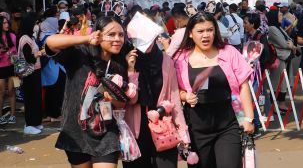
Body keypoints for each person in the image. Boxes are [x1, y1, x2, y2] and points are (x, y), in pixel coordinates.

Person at [46, 16, 138, 168]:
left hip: (106, 132)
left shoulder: (120, 64)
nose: (117, 39)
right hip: (76, 131)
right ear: (98, 34)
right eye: (111, 34)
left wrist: (112, 99)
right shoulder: (80, 54)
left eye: (121, 35)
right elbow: (51, 42)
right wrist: (86, 39)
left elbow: (122, 104)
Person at [173, 12, 254, 168]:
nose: (206, 35)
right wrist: (185, 96)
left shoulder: (229, 52)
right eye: (200, 31)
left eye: (210, 30)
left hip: (228, 124)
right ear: (190, 33)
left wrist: (249, 118)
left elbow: (243, 85)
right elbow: (174, 90)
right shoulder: (180, 59)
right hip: (196, 128)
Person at [123, 31, 190, 167]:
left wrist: (182, 130)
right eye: (138, 39)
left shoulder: (166, 61)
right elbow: (131, 99)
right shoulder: (128, 60)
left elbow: (174, 98)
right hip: (136, 131)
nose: (144, 42)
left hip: (164, 127)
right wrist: (131, 70)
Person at [266, 9, 297, 113]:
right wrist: (291, 46)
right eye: (279, 15)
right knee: (277, 82)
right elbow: (284, 44)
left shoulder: (278, 27)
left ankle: (281, 104)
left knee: (283, 81)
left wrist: (291, 45)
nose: (282, 17)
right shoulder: (272, 28)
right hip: (278, 58)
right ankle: (274, 106)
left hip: (284, 57)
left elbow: (290, 40)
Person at [18, 13, 44, 134]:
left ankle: (36, 122)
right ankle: (29, 124)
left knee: (36, 98)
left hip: (35, 71)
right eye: (34, 24)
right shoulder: (25, 39)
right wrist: (39, 54)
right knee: (31, 98)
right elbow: (29, 58)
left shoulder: (31, 38)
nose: (36, 26)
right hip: (29, 73)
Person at [0, 16, 17, 125]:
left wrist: (11, 53)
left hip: (13, 67)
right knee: (1, 93)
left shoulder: (13, 36)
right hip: (1, 67)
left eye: (7, 23)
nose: (7, 25)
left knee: (12, 91)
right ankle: (1, 116)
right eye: (4, 23)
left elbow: (16, 51)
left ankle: (12, 115)